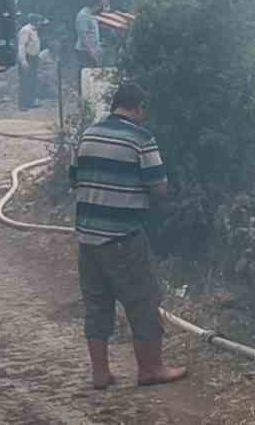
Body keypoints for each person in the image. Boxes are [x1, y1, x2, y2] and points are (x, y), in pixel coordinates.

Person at [69, 82, 186, 390]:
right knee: (143, 300)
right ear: (139, 108)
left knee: (96, 304)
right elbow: (158, 187)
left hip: (87, 239)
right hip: (122, 237)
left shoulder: (88, 134)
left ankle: (100, 373)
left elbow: (73, 178)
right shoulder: (141, 138)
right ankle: (151, 368)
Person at [18, 15, 44, 110]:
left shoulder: (35, 31)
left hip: (34, 58)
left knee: (32, 80)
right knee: (25, 81)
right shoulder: (26, 30)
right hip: (27, 57)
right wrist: (23, 60)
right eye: (40, 21)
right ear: (35, 21)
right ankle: (23, 104)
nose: (41, 23)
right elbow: (22, 46)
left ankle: (31, 102)